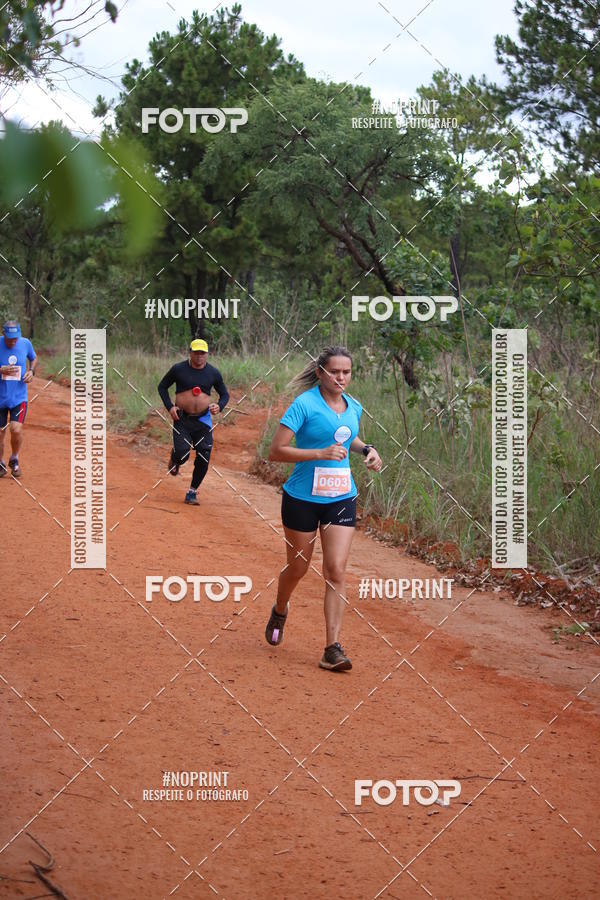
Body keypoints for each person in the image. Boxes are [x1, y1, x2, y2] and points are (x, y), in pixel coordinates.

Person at [265, 345, 382, 671]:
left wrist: (367, 450)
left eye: (346, 372)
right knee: (298, 568)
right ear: (320, 373)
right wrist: (319, 454)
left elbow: (348, 439)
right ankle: (280, 607)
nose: (341, 377)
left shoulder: (354, 406)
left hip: (341, 498)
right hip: (302, 498)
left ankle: (332, 648)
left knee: (336, 571)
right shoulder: (304, 405)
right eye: (335, 372)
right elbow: (277, 450)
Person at [157, 338, 229, 505]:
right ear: (190, 352)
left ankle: (192, 492)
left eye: (202, 353)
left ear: (207, 354)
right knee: (183, 454)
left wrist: (219, 406)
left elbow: (224, 394)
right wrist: (170, 407)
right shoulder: (178, 369)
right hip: (182, 419)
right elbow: (162, 387)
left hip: (203, 421)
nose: (199, 356)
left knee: (204, 455)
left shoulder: (213, 373)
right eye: (196, 352)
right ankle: (176, 458)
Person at [0, 321, 37, 478]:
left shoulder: (25, 343)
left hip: (19, 398)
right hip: (1, 398)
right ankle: (0, 462)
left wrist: (31, 371)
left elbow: (33, 358)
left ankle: (14, 458)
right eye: (10, 338)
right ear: (4, 334)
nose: (13, 341)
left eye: (15, 338)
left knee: (16, 429)